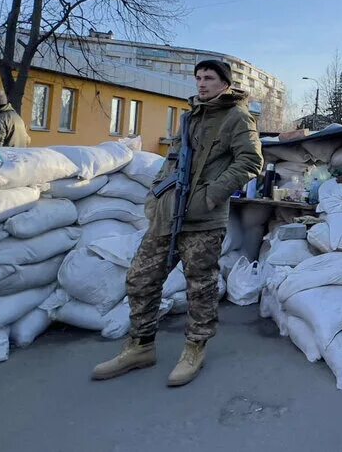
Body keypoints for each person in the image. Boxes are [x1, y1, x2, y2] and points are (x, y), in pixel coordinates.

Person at [93, 59, 262, 387]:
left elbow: (251, 160)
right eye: (198, 77)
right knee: (140, 278)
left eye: (209, 78)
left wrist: (210, 195)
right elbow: (171, 163)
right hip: (168, 214)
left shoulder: (236, 117)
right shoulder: (190, 117)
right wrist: (155, 198)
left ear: (224, 83)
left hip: (203, 219)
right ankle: (140, 346)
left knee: (200, 286)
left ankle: (194, 349)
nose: (201, 83)